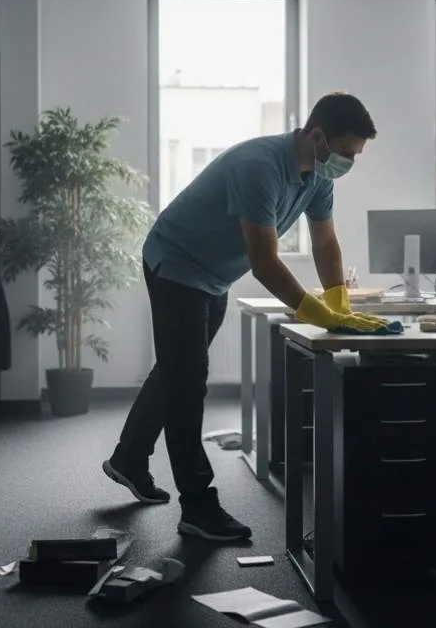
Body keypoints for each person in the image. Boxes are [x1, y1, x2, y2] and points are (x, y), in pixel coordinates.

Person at [103, 92, 390, 541]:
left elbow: (325, 244)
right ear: (318, 137)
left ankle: (128, 458)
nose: (349, 162)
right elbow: (265, 261)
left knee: (177, 370)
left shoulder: (318, 176)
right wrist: (318, 315)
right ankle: (197, 505)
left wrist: (341, 305)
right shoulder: (260, 165)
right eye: (347, 153)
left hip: (213, 275)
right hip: (176, 262)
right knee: (188, 381)